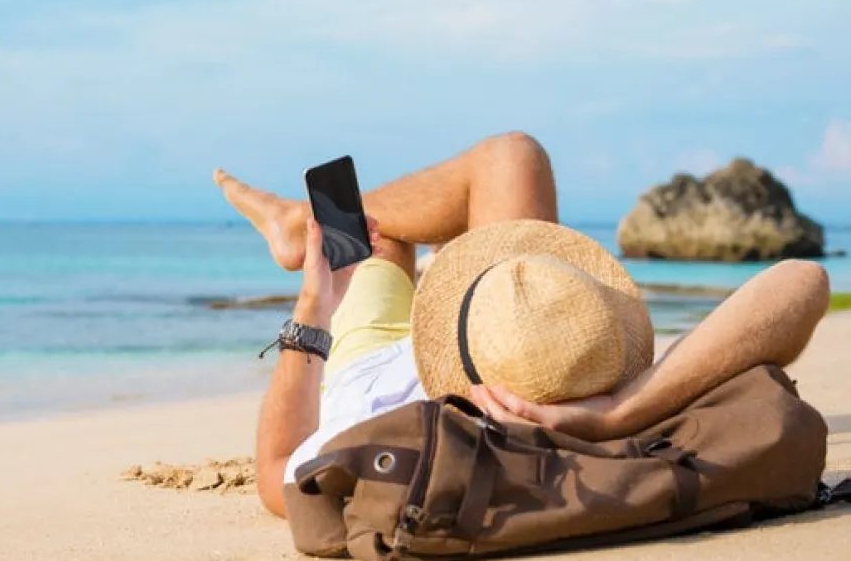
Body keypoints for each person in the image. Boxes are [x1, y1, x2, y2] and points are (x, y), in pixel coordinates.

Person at [212, 131, 832, 519]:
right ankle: (305, 222)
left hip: (379, 361)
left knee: (379, 247)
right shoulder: (584, 374)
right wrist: (617, 412)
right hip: (499, 329)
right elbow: (804, 281)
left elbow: (277, 467)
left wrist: (311, 308)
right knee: (514, 157)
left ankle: (301, 227)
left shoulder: (390, 443)